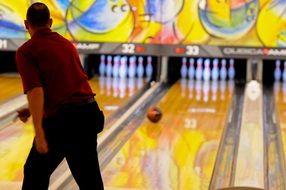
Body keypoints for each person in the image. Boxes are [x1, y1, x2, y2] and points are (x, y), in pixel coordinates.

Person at [16, 2, 104, 190]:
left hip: (63, 120)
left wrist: (39, 134)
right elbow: (66, 85)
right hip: (88, 114)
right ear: (50, 21)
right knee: (89, 179)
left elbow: (36, 91)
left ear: (26, 24)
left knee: (34, 173)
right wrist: (32, 109)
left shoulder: (26, 51)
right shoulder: (66, 45)